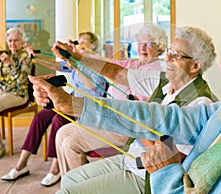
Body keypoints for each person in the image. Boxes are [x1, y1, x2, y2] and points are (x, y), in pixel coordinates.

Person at [31, 17, 221, 193]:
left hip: (150, 175)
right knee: (68, 173)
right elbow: (153, 112)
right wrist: (70, 99)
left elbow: (170, 151)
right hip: (139, 162)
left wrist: (162, 164)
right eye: (168, 51)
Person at [54, 24, 168, 176]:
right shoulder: (132, 63)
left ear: (159, 48)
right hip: (107, 116)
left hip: (127, 124)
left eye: (148, 44)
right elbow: (106, 64)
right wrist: (76, 54)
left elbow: (145, 104)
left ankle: (77, 187)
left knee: (70, 144)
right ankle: (71, 185)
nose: (142, 48)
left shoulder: (158, 70)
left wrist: (78, 57)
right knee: (61, 134)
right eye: (140, 44)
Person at [1, 31, 107, 187]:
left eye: (85, 42)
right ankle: (21, 164)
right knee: (41, 116)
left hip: (87, 106)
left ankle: (55, 168)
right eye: (80, 41)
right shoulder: (78, 60)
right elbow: (56, 65)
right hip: (72, 100)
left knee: (58, 119)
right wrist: (35, 56)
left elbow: (93, 88)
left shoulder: (97, 63)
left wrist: (76, 67)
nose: (80, 44)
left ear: (93, 46)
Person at [0, 28, 34, 158]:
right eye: (10, 40)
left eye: (16, 40)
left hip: (19, 94)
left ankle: (0, 147)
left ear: (21, 42)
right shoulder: (5, 54)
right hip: (4, 92)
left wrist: (9, 64)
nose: (13, 43)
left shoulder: (25, 56)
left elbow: (22, 81)